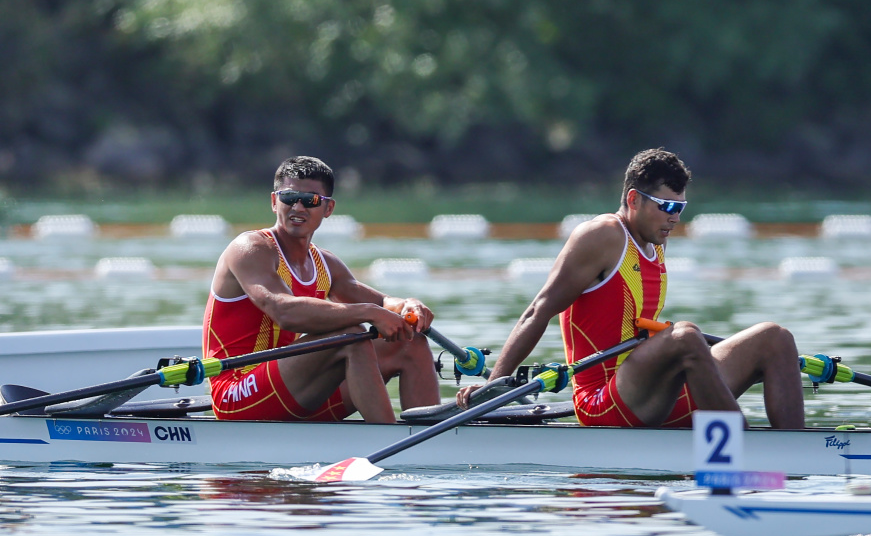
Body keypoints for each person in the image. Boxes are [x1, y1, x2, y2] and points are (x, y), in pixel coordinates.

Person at [457, 148, 804, 429]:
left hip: (654, 394)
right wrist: (493, 386)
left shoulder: (655, 239)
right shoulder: (601, 236)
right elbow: (539, 310)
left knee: (776, 338)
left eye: (680, 208)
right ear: (634, 199)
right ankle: (742, 447)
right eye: (667, 207)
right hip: (602, 401)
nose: (675, 218)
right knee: (685, 335)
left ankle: (795, 452)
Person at [203, 155, 440, 423]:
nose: (298, 207)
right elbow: (284, 312)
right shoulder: (251, 249)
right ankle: (390, 438)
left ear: (328, 208)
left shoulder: (325, 264)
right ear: (274, 202)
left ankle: (430, 438)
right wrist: (369, 313)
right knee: (351, 337)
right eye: (289, 197)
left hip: (291, 387)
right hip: (237, 392)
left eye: (311, 200)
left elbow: (384, 303)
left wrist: (408, 305)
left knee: (411, 342)